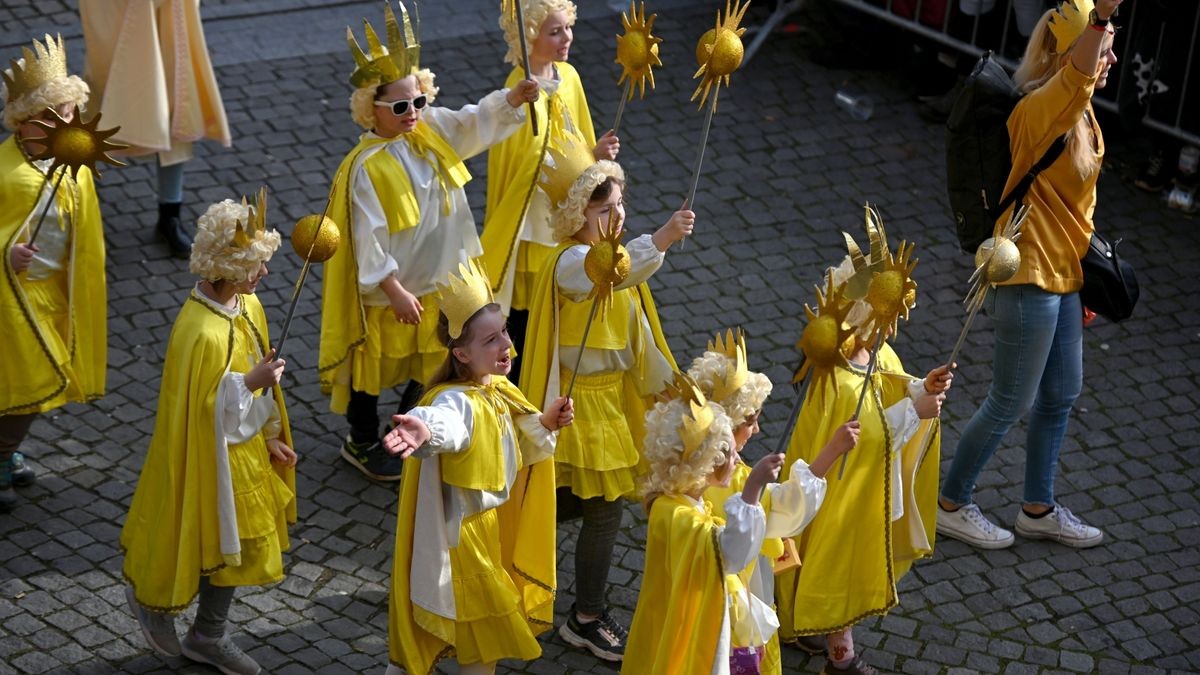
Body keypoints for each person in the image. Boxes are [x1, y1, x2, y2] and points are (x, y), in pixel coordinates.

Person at [318, 1, 539, 482]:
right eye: (400, 106)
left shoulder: (431, 128)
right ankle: (360, 439)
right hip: (395, 293)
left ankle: (408, 422)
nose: (413, 112)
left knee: (433, 357)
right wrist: (392, 288)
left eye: (418, 101)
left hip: (441, 282)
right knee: (371, 370)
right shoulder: (365, 168)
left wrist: (512, 101)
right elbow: (365, 235)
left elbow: (470, 123)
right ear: (370, 110)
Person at [937, 0, 1121, 551]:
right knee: (1010, 400)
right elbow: (1081, 75)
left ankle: (1037, 508)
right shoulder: (1041, 110)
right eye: (1104, 51)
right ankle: (952, 502)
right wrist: (1102, 17)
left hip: (1060, 273)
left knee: (1061, 392)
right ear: (1068, 56)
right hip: (1027, 276)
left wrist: (1081, 278)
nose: (1110, 59)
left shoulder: (1076, 110)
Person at [519, 131, 690, 660]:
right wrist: (659, 238)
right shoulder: (572, 263)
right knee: (605, 508)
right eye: (604, 210)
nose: (617, 218)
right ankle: (586, 616)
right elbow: (607, 274)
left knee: (568, 499)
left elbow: (639, 340)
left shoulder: (612, 263)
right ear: (577, 216)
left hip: (608, 401)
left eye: (621, 206)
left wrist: (677, 390)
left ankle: (506, 541)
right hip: (580, 407)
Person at [121, 190, 297, 675]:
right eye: (256, 265)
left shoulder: (248, 307)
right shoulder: (199, 330)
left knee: (239, 546)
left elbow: (252, 388)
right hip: (207, 457)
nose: (264, 274)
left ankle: (209, 634)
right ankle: (155, 603)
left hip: (244, 454)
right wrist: (251, 384)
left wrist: (271, 434)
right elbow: (204, 412)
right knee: (199, 534)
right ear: (230, 270)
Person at [380, 260, 573, 675]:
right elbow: (452, 425)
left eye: (504, 331)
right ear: (462, 353)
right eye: (491, 339)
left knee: (477, 643)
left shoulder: (499, 389)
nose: (505, 344)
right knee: (485, 638)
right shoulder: (457, 400)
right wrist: (424, 429)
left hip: (487, 531)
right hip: (462, 539)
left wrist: (544, 421)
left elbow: (511, 442)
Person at [775, 233, 952, 675]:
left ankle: (806, 620)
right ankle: (842, 659)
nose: (891, 329)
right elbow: (865, 434)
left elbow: (886, 389)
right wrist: (915, 410)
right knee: (838, 560)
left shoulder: (873, 353)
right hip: (842, 486)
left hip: (861, 479)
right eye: (884, 319)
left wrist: (919, 390)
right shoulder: (838, 377)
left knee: (828, 555)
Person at [623, 373, 832, 674]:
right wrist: (751, 491)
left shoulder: (670, 503)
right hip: (700, 630)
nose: (737, 457)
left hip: (681, 620)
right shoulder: (683, 516)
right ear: (706, 464)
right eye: (727, 452)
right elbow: (730, 556)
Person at [692, 329, 852, 675]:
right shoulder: (731, 480)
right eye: (750, 420)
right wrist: (830, 453)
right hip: (735, 599)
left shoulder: (694, 475)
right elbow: (779, 514)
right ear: (724, 426)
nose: (758, 429)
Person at [481, 0, 618, 379]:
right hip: (533, 227)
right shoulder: (518, 91)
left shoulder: (569, 76)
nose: (566, 38)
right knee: (526, 315)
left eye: (567, 28)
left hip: (566, 217)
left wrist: (595, 154)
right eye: (554, 31)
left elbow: (577, 141)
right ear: (528, 36)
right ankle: (522, 383)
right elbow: (518, 164)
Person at [0, 33, 106, 513]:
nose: (64, 124)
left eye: (68, 113)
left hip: (53, 295)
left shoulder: (73, 162)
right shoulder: (7, 175)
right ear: (23, 124)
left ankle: (5, 449)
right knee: (22, 384)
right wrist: (6, 254)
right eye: (51, 116)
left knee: (34, 385)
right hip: (12, 299)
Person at [79, 0, 232, 258]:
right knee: (103, 107)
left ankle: (169, 215)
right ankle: (76, 208)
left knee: (174, 105)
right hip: (118, 15)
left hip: (170, 15)